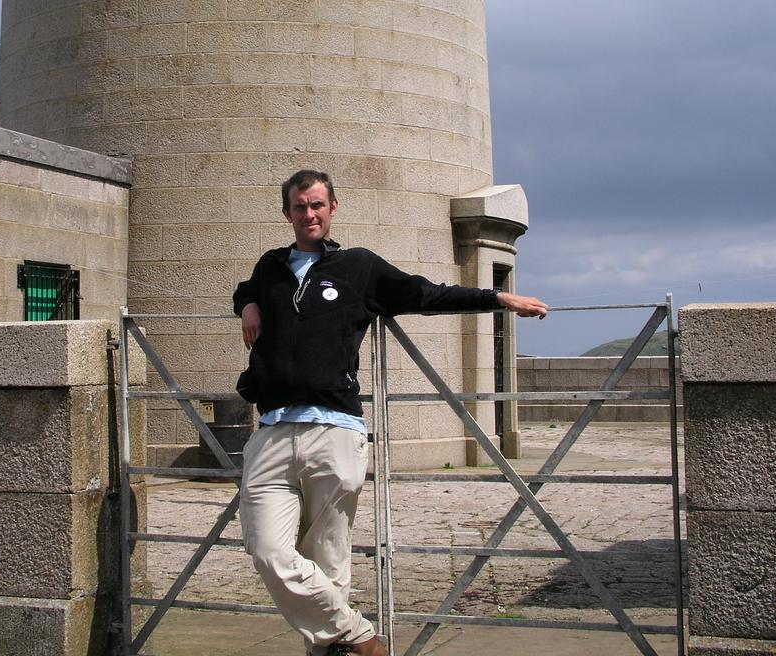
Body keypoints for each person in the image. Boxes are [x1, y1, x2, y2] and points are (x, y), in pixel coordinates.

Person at [232, 170, 548, 656]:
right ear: (286, 213)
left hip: (334, 432)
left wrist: (498, 298)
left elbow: (426, 294)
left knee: (329, 560)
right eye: (299, 206)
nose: (308, 214)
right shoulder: (270, 266)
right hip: (272, 431)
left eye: (317, 204)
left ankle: (332, 649)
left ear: (333, 207)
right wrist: (248, 303)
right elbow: (246, 288)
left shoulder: (359, 267)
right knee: (267, 548)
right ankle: (360, 635)